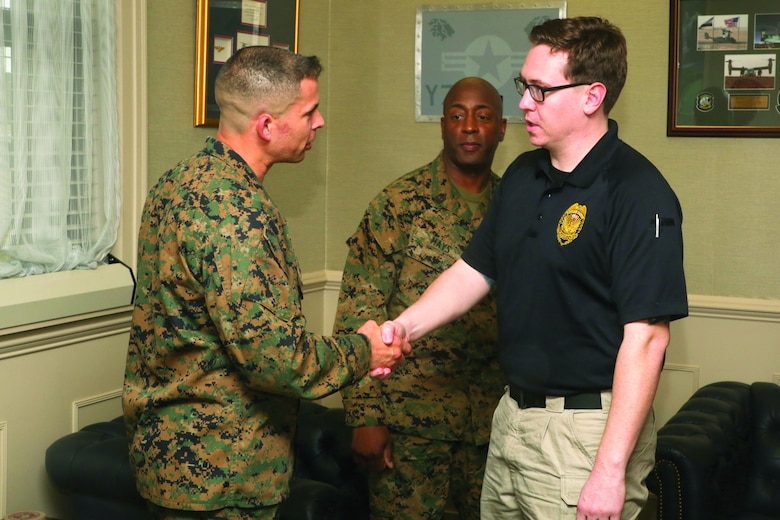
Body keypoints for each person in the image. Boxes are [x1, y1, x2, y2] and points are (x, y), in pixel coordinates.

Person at [377, 17, 688, 519]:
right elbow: (473, 272)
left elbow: (648, 338)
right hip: (512, 417)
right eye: (524, 85)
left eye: (540, 90)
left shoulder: (637, 192)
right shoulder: (523, 174)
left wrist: (609, 471)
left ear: (592, 96)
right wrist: (403, 327)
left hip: (586, 434)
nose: (523, 103)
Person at [122, 46, 409, 520]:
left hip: (170, 460)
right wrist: (365, 350)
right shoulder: (238, 214)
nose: (320, 123)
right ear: (266, 126)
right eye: (309, 111)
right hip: (219, 474)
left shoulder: (176, 182)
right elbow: (277, 360)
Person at [334, 77, 507, 520]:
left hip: (493, 424)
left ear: (503, 129)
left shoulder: (517, 206)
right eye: (457, 116)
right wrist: (364, 415)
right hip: (410, 424)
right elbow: (360, 309)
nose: (469, 127)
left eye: (483, 117)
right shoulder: (398, 204)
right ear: (443, 126)